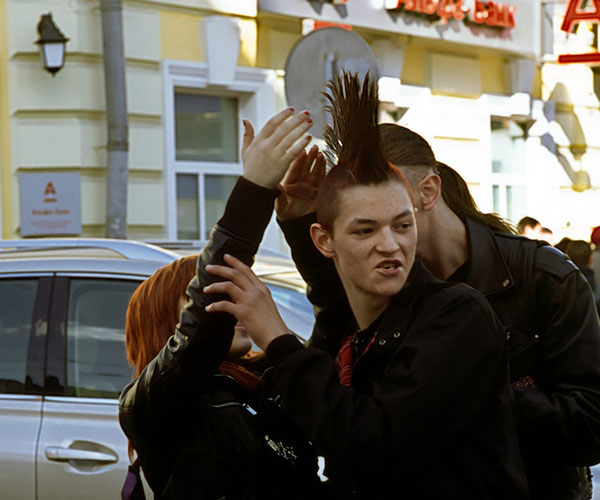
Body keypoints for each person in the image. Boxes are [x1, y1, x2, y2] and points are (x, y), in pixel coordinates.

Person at [203, 73, 529, 499]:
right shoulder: (358, 325)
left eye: (402, 225)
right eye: (365, 231)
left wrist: (278, 337)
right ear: (326, 240)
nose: (390, 244)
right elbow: (333, 299)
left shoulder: (457, 314)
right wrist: (295, 217)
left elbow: (370, 441)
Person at [373, 124, 600, 500]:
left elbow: (590, 427)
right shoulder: (386, 284)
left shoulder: (543, 278)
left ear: (427, 191)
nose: (378, 236)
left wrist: (476, 394)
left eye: (382, 201)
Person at [118, 108, 328, 499]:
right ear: (169, 325)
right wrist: (254, 188)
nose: (235, 306)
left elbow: (334, 332)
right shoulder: (151, 404)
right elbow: (204, 325)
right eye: (200, 298)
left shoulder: (263, 383)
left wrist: (301, 224)